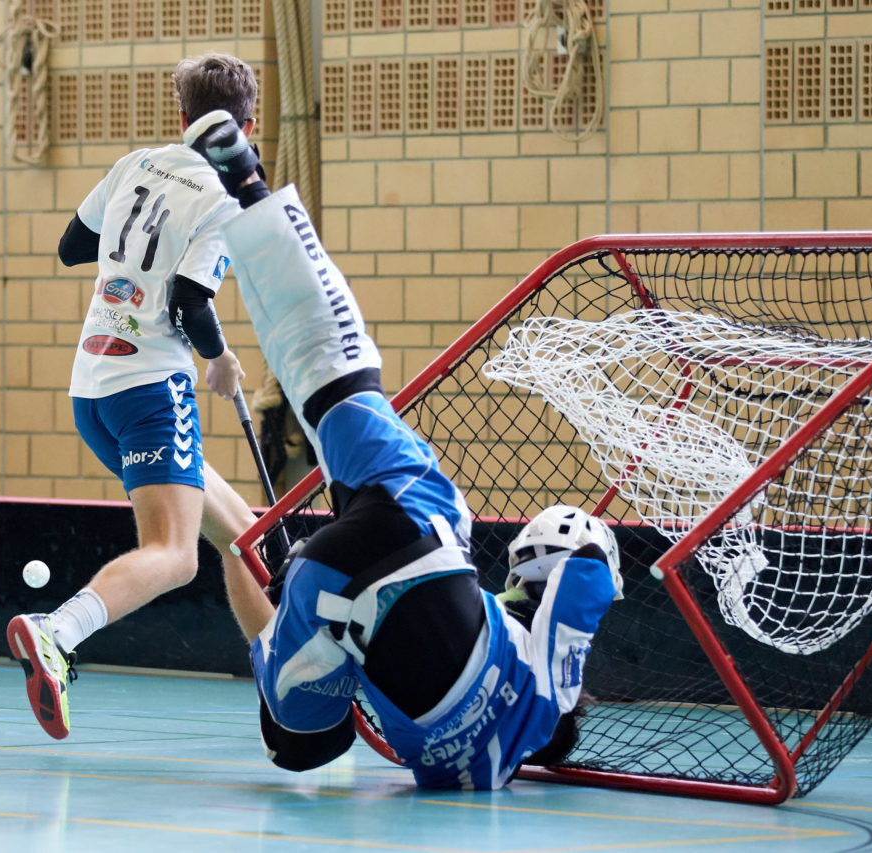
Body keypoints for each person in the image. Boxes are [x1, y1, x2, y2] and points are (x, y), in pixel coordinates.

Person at [184, 110, 623, 788]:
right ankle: (199, 492)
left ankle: (245, 183)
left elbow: (584, 547)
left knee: (334, 380)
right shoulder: (464, 772)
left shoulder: (543, 701)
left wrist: (535, 593)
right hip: (329, 587)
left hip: (423, 534)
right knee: (300, 743)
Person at [6, 54, 260, 740]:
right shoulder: (224, 197)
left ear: (180, 119)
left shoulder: (135, 164)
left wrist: (132, 268)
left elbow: (70, 246)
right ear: (247, 125)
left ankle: (290, 686)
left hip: (91, 389)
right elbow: (190, 300)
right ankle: (57, 630)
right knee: (176, 553)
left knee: (242, 534)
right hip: (152, 388)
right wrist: (220, 360)